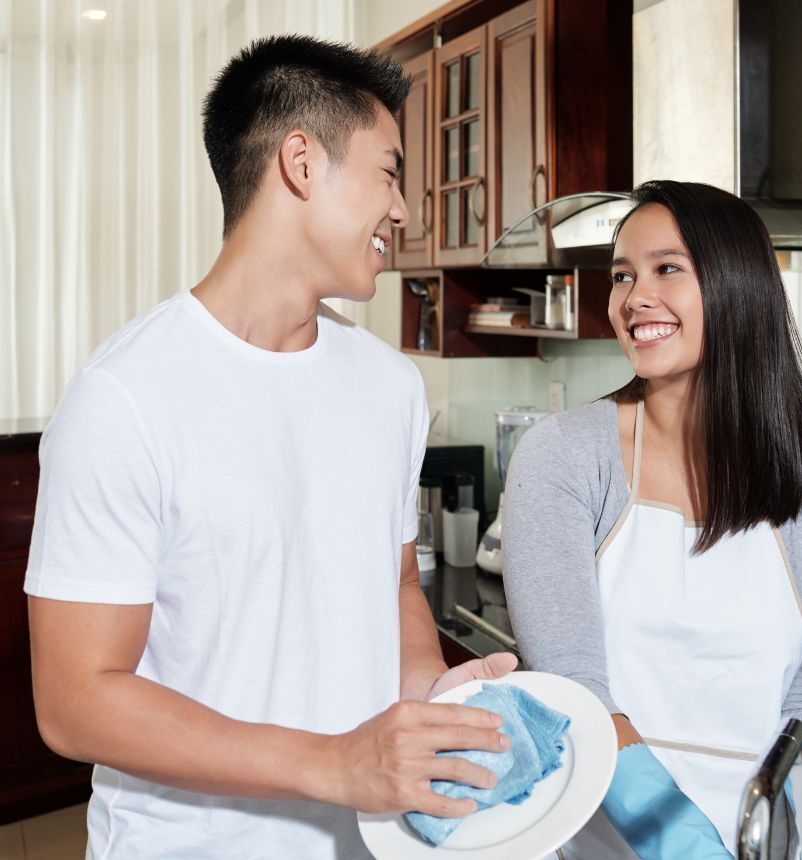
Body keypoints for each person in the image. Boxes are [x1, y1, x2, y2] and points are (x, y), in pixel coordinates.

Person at [25, 35, 516, 860]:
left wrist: (428, 700)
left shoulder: (390, 386)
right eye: (390, 173)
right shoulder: (124, 399)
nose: (403, 210)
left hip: (369, 839)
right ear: (300, 162)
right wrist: (333, 762)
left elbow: (394, 585)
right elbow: (75, 700)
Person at [503, 180, 802, 859]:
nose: (633, 298)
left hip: (771, 840)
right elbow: (573, 690)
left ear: (738, 286)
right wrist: (681, 843)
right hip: (610, 840)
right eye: (623, 275)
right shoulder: (563, 458)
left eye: (666, 269)